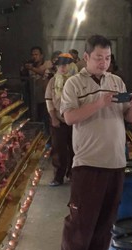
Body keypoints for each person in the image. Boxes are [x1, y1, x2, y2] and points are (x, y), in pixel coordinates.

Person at [53, 35, 132, 250]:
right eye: (98, 58)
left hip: (115, 161)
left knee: (106, 219)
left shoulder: (116, 81)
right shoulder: (73, 84)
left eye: (108, 58)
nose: (104, 63)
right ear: (86, 58)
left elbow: (129, 119)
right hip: (88, 162)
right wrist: (98, 103)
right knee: (81, 219)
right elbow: (69, 117)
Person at [44, 53, 75, 186]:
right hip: (58, 120)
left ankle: (73, 174)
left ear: (69, 66)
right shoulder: (53, 81)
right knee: (59, 149)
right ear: (57, 67)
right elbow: (49, 100)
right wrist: (53, 118)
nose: (63, 68)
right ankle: (58, 176)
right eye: (60, 65)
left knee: (75, 148)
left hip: (74, 119)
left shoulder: (74, 81)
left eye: (65, 65)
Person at [20, 46, 53, 137]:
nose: (34, 56)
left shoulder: (47, 64)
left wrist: (32, 69)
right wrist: (23, 69)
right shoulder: (30, 66)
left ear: (41, 56)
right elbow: (24, 80)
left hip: (45, 99)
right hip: (34, 100)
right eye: (32, 55)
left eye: (36, 54)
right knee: (36, 121)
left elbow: (45, 73)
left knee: (46, 122)